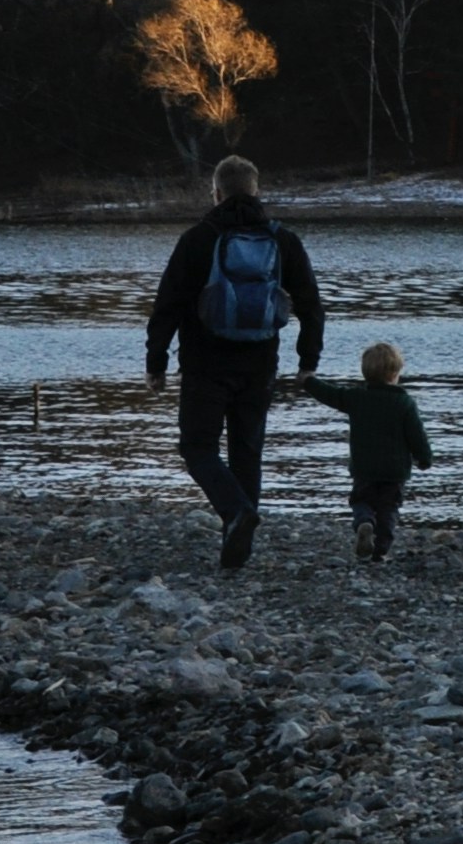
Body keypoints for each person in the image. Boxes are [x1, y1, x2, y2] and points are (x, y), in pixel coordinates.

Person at [145, 153, 325, 569]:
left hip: (204, 364)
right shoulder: (283, 240)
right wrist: (308, 361)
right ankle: (239, 537)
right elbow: (312, 306)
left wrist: (156, 363)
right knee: (247, 451)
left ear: (217, 192)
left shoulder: (197, 238)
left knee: (197, 446)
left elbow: (167, 306)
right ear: (257, 191)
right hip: (260, 363)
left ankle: (235, 514)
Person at [302, 342, 434, 561]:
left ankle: (364, 522)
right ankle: (380, 550)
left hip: (364, 467)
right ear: (395, 373)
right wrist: (424, 458)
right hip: (395, 471)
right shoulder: (404, 403)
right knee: (388, 509)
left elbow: (330, 394)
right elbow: (416, 436)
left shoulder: (357, 398)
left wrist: (308, 381)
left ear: (365, 373)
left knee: (361, 501)